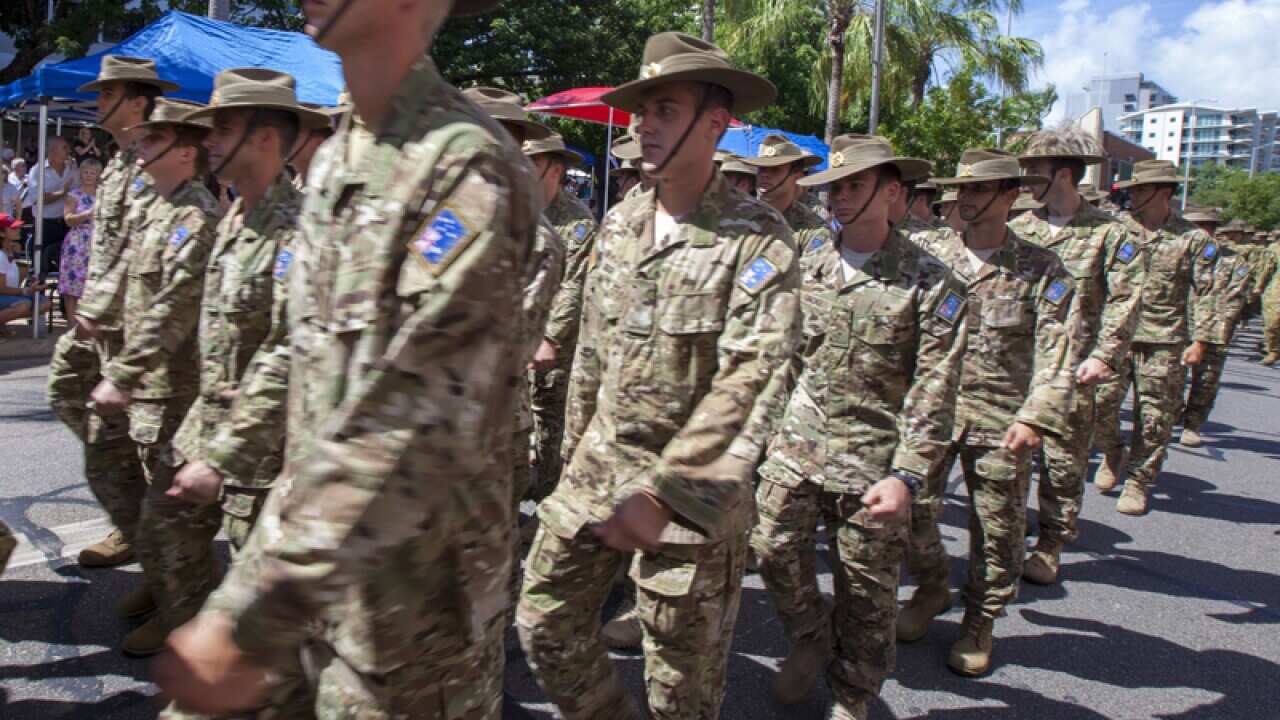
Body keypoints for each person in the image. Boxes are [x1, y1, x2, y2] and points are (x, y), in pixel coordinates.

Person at [154, 0, 538, 716]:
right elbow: (302, 351)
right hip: (311, 571)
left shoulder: (466, 164)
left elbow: (416, 416)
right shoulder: (339, 158)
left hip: (411, 616)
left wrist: (255, 610)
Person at [516, 32, 798, 720]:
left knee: (680, 690)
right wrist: (572, 454)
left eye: (665, 109)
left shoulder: (758, 237)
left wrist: (667, 490)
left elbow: (753, 379)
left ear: (715, 122)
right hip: (597, 472)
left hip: (690, 500)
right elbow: (593, 354)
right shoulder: (621, 224)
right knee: (543, 621)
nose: (644, 124)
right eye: (642, 110)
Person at [751, 135, 964, 719]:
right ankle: (810, 634)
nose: (839, 196)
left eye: (853, 185)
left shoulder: (931, 282)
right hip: (798, 446)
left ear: (891, 191)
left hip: (874, 459)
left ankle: (852, 695)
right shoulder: (807, 264)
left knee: (867, 593)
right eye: (834, 187)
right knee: (770, 546)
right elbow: (782, 358)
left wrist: (907, 475)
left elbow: (934, 389)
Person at [900, 149, 1081, 677]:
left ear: (1010, 195)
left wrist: (1035, 416)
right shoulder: (927, 253)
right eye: (963, 188)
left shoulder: (1042, 269)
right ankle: (932, 587)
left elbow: (1058, 350)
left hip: (1001, 419)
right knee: (912, 511)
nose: (967, 198)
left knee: (997, 529)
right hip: (931, 412)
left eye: (980, 189)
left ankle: (980, 619)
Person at [88, 98, 220, 657]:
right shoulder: (157, 207)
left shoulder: (195, 216)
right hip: (148, 382)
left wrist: (123, 374)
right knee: (149, 491)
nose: (138, 148)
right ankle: (165, 583)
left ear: (185, 152)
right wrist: (94, 313)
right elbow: (122, 270)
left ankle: (184, 611)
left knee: (175, 508)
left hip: (176, 385)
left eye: (152, 140)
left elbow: (173, 305)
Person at [1010, 127, 1146, 585]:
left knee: (1063, 462)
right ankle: (1008, 533)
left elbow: (1126, 299)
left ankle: (1051, 543)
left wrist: (1106, 355)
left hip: (1073, 367)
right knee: (1010, 455)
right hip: (1018, 364)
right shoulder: (1019, 229)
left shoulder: (1110, 234)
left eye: (1035, 172)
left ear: (1063, 175)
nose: (1027, 181)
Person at [66, 55, 175, 576]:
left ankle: (164, 549)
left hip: (140, 326)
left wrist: (105, 310)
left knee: (146, 439)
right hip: (107, 324)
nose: (98, 102)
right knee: (105, 427)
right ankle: (138, 528)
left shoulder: (154, 164)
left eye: (108, 94)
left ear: (137, 102)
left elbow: (145, 253)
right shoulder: (115, 164)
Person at [1092, 160, 1224, 515]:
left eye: (1141, 188)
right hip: (1115, 337)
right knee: (1099, 405)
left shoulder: (1193, 239)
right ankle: (1112, 451)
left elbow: (1207, 292)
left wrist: (1201, 340)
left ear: (1164, 192)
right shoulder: (1116, 230)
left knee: (1154, 418)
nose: (1133, 195)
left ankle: (1137, 481)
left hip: (1165, 339)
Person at [527, 131, 597, 507]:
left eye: (533, 162)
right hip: (516, 337)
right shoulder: (519, 208)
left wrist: (550, 337)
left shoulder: (577, 222)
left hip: (554, 345)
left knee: (549, 423)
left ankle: (547, 500)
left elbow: (574, 286)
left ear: (555, 170)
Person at [1179, 211, 1251, 447]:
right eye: (1196, 226)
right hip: (1176, 326)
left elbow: (1235, 298)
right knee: (1167, 378)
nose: (1201, 231)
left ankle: (1192, 424)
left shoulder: (1233, 261)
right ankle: (1171, 413)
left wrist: (1216, 329)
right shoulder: (1177, 254)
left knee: (1206, 380)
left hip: (1214, 329)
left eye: (1206, 226)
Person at [742, 132, 824, 250]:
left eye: (775, 169)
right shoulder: (738, 215)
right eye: (762, 168)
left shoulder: (812, 228)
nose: (765, 175)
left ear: (796, 175)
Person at [60, 157, 102, 319]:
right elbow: (68, 219)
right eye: (86, 172)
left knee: (94, 286)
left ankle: (88, 325)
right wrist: (86, 214)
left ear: (98, 175)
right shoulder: (74, 195)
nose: (89, 176)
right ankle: (72, 324)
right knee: (73, 286)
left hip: (98, 241)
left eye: (93, 173)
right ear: (80, 173)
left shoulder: (103, 195)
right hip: (77, 242)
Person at [33, 136, 78, 280]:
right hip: (45, 225)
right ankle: (39, 293)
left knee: (68, 266)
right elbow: (38, 199)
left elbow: (79, 192)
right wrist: (62, 192)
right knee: (41, 267)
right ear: (52, 150)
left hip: (66, 224)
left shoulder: (72, 169)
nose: (68, 151)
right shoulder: (38, 171)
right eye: (64, 147)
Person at [0, 213, 41, 331]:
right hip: (3, 295)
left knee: (44, 303)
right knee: (24, 305)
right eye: (13, 228)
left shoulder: (9, 252)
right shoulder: (1, 255)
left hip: (7, 295)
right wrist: (25, 291)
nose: (18, 230)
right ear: (2, 233)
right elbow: (2, 289)